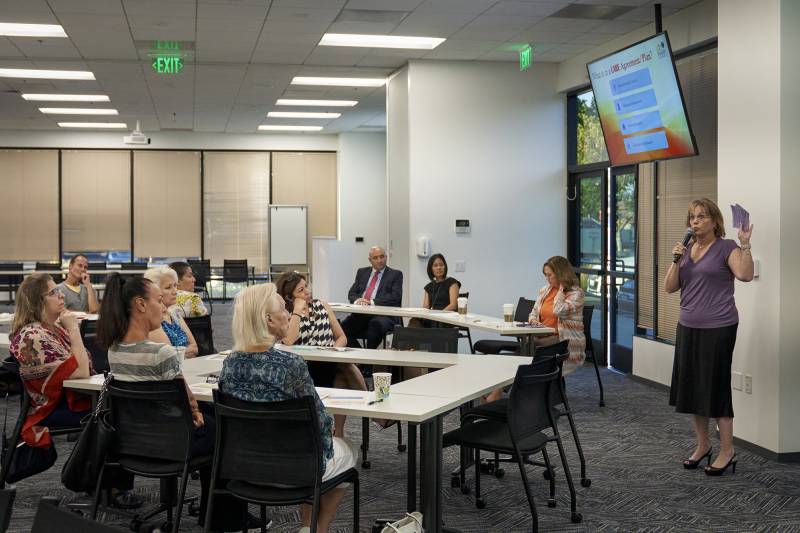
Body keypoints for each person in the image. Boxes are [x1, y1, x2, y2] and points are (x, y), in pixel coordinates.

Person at [96, 274, 251, 530]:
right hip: (175, 444)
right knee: (227, 428)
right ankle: (223, 520)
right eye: (159, 300)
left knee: (211, 423)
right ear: (140, 305)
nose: (165, 307)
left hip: (134, 442)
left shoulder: (115, 350)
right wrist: (197, 413)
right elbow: (189, 402)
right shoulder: (161, 353)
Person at [219, 283, 356, 533]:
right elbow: (321, 423)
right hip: (292, 470)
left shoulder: (230, 363)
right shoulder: (291, 364)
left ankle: (308, 527)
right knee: (345, 448)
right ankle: (316, 529)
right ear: (269, 320)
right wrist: (331, 430)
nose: (290, 312)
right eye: (285, 308)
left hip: (244, 467)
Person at [665, 198, 753, 476]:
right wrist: (676, 260)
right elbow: (669, 287)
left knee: (715, 388)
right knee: (693, 388)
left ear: (715, 221)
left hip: (719, 327)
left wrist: (746, 244)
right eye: (692, 217)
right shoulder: (687, 249)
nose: (695, 221)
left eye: (702, 216)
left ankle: (727, 451)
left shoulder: (727, 247)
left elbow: (745, 274)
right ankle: (703, 446)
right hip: (688, 326)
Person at [276, 271, 368, 437]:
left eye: (307, 287)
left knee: (342, 371)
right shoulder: (284, 314)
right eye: (301, 290)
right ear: (289, 297)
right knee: (344, 369)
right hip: (302, 369)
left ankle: (339, 431)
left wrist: (332, 351)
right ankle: (372, 407)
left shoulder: (322, 306)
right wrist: (297, 310)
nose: (307, 292)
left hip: (328, 362)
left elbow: (342, 337)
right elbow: (288, 340)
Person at [9, 273, 92, 450]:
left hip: (74, 398)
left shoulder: (53, 328)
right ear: (38, 301)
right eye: (53, 292)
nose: (61, 295)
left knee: (117, 407)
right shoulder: (32, 336)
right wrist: (73, 329)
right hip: (54, 407)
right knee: (113, 411)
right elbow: (82, 372)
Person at [527, 255, 586, 375]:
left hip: (563, 339)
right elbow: (533, 312)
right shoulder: (545, 290)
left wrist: (561, 289)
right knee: (524, 349)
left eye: (550, 275)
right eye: (545, 275)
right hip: (543, 335)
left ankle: (500, 389)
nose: (547, 279)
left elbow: (559, 310)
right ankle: (504, 389)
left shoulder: (576, 293)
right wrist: (534, 321)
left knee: (528, 349)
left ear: (560, 274)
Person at [340, 246, 404, 349]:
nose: (379, 260)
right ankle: (360, 357)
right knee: (341, 328)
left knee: (375, 324)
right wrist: (358, 300)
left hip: (384, 316)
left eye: (382, 257)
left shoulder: (395, 274)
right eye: (375, 258)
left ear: (386, 257)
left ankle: (369, 361)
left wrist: (371, 302)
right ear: (370, 260)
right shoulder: (362, 272)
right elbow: (352, 293)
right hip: (362, 315)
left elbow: (395, 297)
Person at [144, 266, 199, 358]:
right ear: (155, 291)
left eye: (175, 286)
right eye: (168, 287)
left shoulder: (174, 312)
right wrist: (185, 352)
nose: (175, 291)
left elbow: (195, 348)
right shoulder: (152, 319)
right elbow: (169, 357)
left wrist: (178, 353)